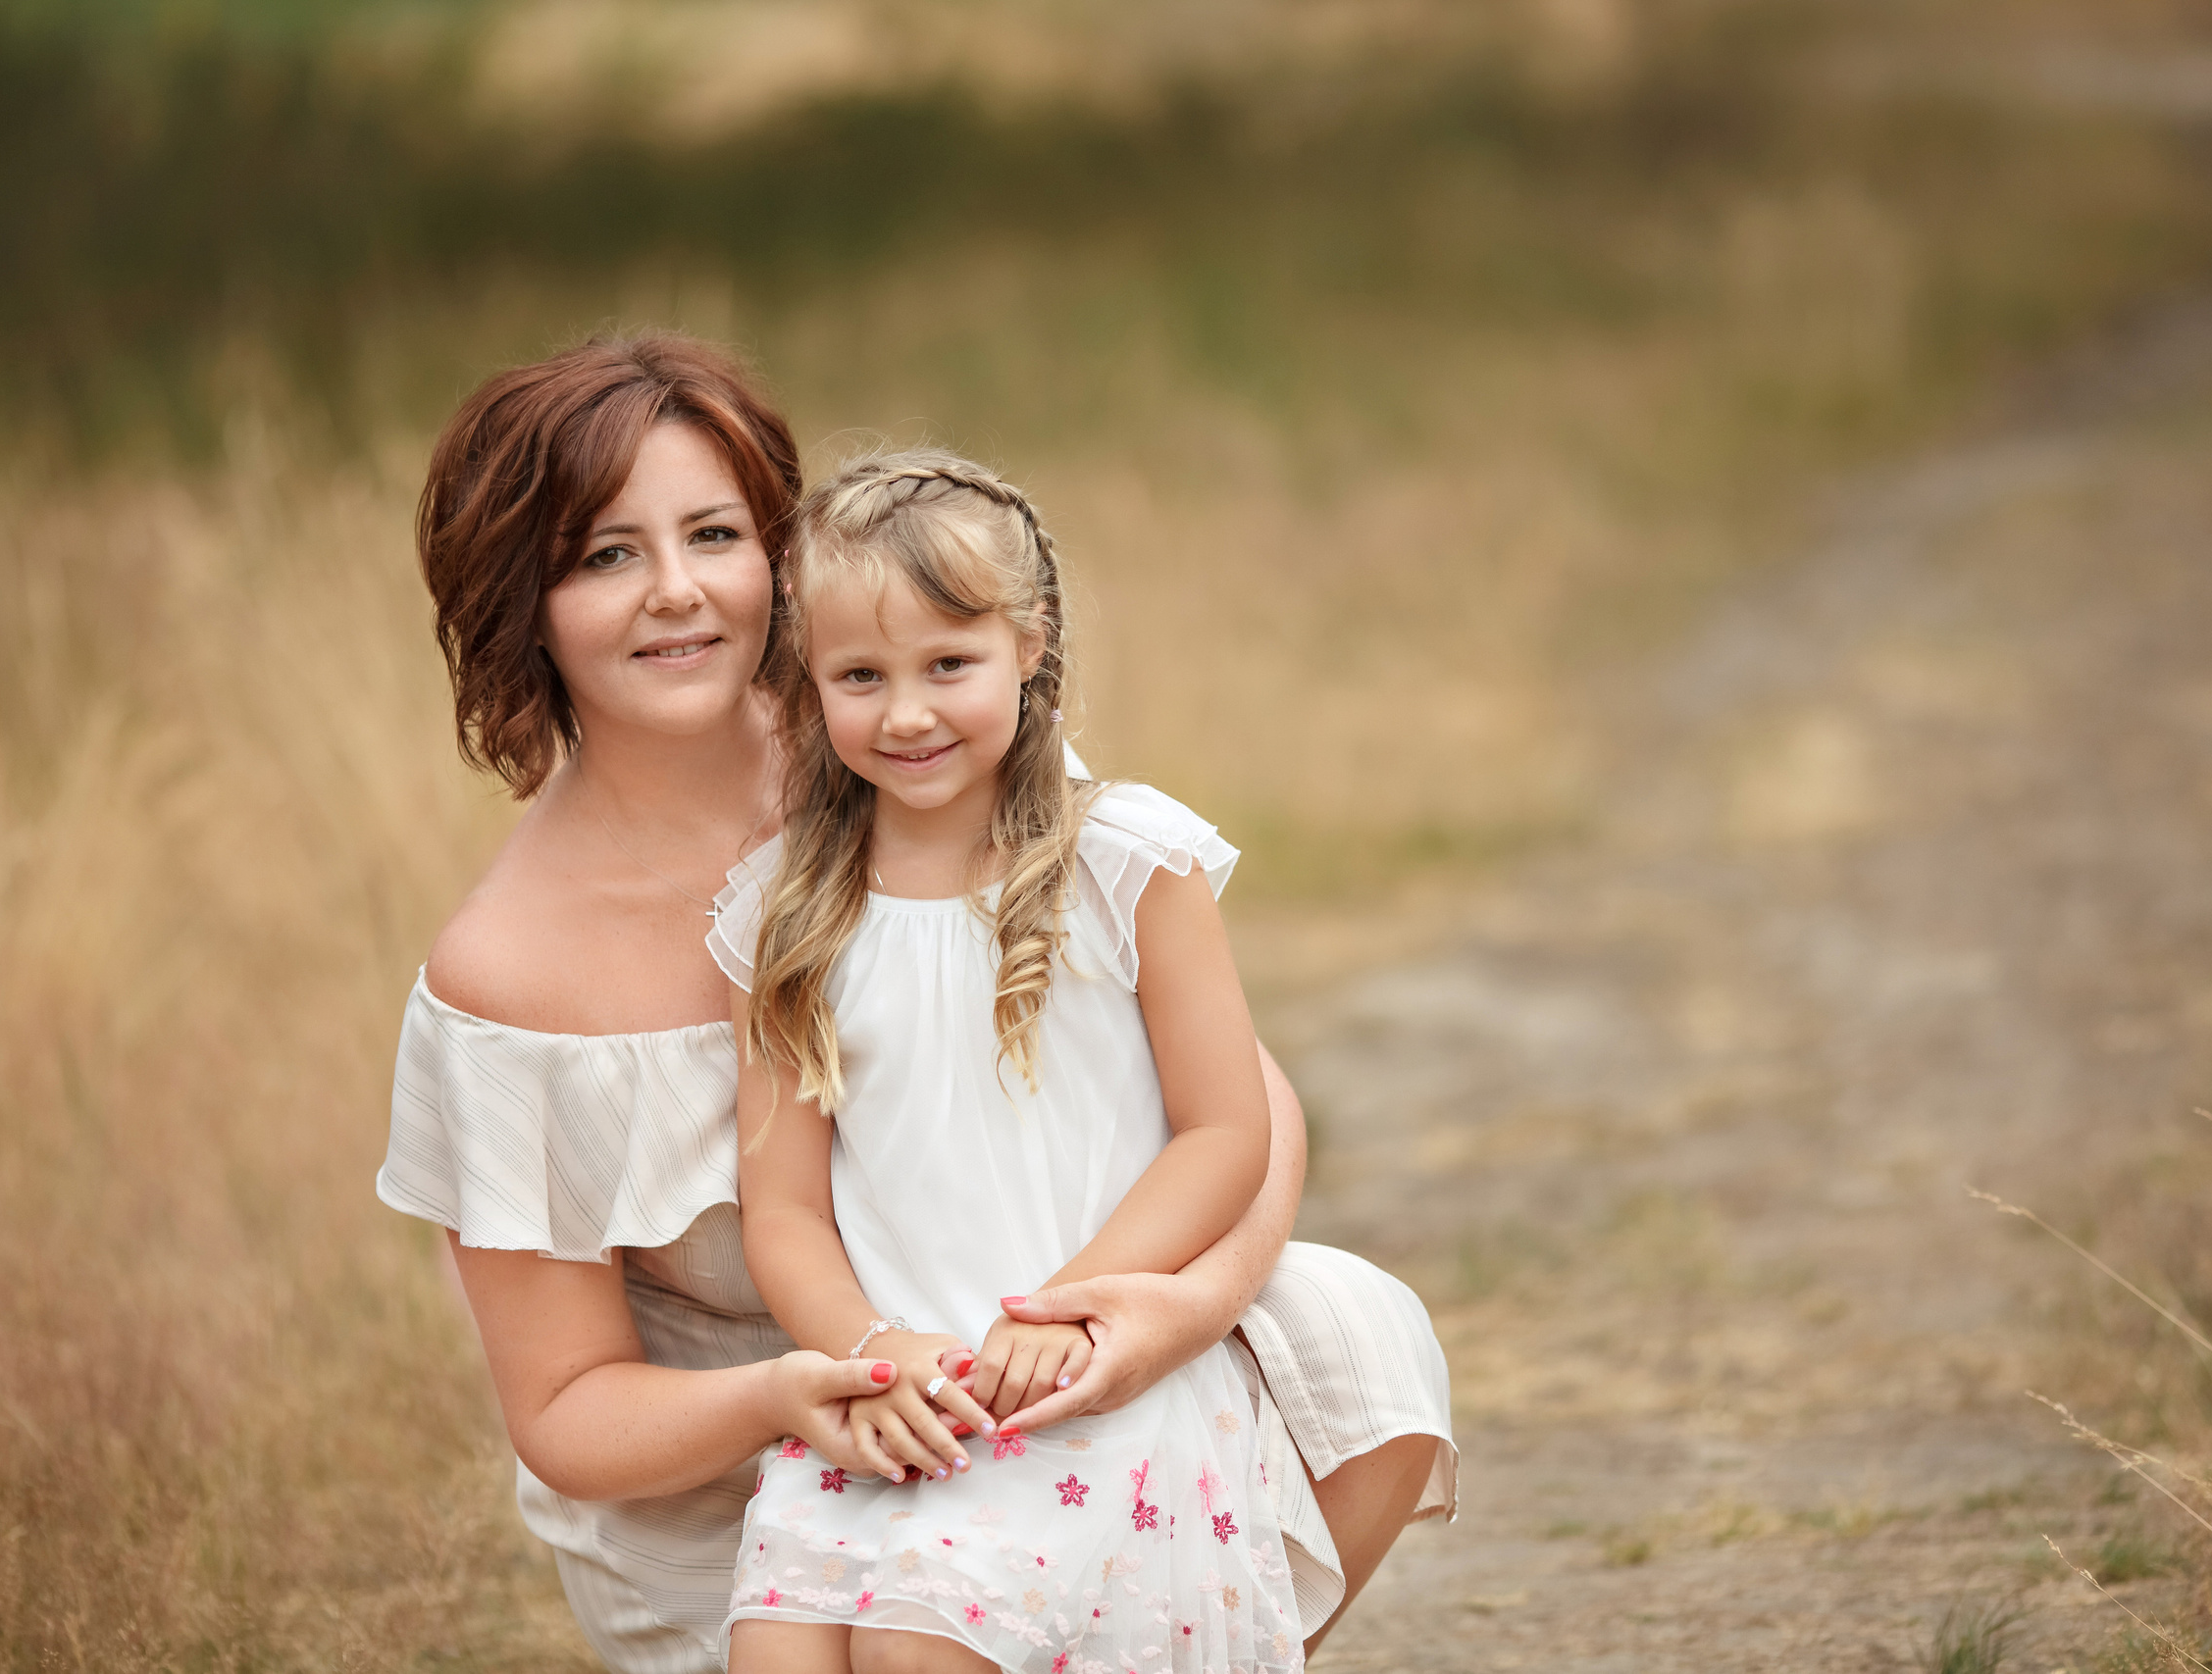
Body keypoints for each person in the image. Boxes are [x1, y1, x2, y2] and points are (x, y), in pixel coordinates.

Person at [376, 334, 1455, 1673]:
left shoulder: (906, 736)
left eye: (713, 534)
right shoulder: (506, 974)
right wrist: (797, 1390)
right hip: (748, 1471)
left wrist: (1162, 1313)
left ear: (781, 561)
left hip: (1025, 1359)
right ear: (519, 603)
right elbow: (564, 1412)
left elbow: (1235, 1100)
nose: (676, 590)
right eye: (604, 554)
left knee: (1348, 1329)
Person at [714, 451, 1303, 1673]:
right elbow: (783, 1208)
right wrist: (869, 1347)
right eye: (860, 676)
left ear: (1027, 644)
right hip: (896, 1390)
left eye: (948, 664)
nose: (907, 714)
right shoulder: (782, 912)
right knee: (778, 1652)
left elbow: (1225, 1131)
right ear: (809, 679)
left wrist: (1067, 1313)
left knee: (917, 1652)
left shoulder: (1128, 862)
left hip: (1086, 1378)